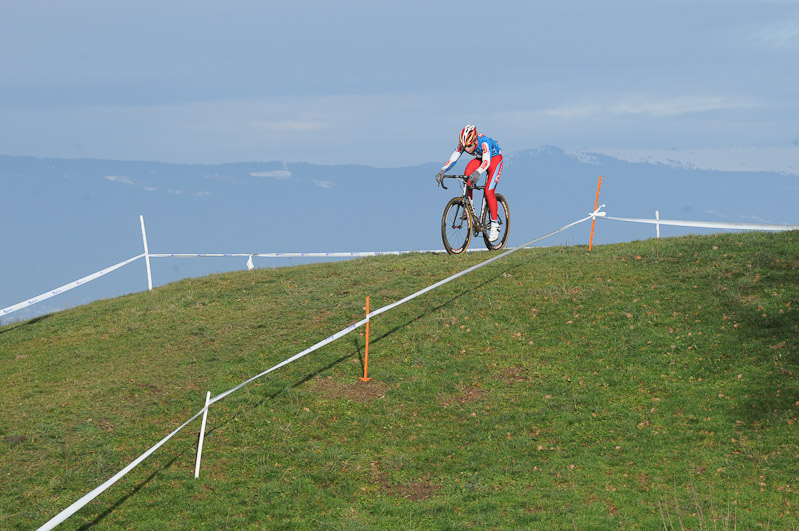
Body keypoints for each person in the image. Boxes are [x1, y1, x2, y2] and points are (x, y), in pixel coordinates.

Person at [435, 125, 504, 241]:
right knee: (467, 174)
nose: (466, 149)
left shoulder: (484, 142)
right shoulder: (464, 144)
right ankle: (468, 207)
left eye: (469, 146)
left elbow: (486, 162)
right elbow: (453, 158)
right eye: (464, 146)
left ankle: (494, 224)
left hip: (494, 159)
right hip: (481, 158)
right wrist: (443, 170)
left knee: (488, 191)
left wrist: (477, 173)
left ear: (475, 140)